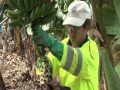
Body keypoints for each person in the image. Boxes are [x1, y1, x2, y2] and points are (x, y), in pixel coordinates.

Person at [32, 1, 99, 90]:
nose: (71, 30)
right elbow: (51, 62)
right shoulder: (64, 44)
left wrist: (51, 43)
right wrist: (42, 66)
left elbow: (75, 60)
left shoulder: (92, 50)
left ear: (86, 27)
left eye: (75, 26)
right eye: (69, 25)